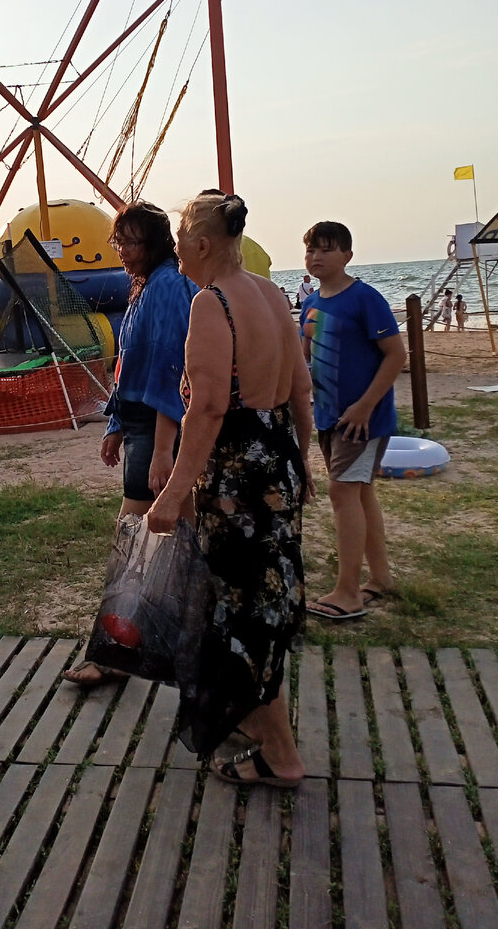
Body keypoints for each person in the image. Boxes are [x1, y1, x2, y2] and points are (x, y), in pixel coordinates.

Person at [146, 192, 311, 787]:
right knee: (265, 606)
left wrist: (170, 496)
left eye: (181, 238)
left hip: (238, 478)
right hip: (277, 467)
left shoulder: (212, 305)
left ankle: (282, 756)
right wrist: (305, 461)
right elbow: (299, 389)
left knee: (243, 616)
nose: (177, 250)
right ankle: (267, 736)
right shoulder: (270, 294)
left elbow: (210, 408)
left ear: (202, 243)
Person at [63, 201, 198, 688]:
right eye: (118, 241)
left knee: (132, 539)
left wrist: (163, 446)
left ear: (156, 244)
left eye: (129, 242)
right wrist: (115, 422)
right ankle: (197, 639)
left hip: (160, 425)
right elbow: (129, 364)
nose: (121, 250)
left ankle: (113, 656)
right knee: (187, 536)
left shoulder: (166, 288)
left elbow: (170, 369)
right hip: (141, 421)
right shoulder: (142, 286)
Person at [300, 220, 406, 621]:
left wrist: (364, 405)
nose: (316, 256)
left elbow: (396, 355)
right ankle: (379, 578)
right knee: (360, 494)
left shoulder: (365, 298)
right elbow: (304, 359)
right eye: (310, 249)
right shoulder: (311, 303)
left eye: (326, 249)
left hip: (362, 420)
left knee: (343, 494)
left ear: (347, 255)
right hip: (328, 416)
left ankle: (348, 592)